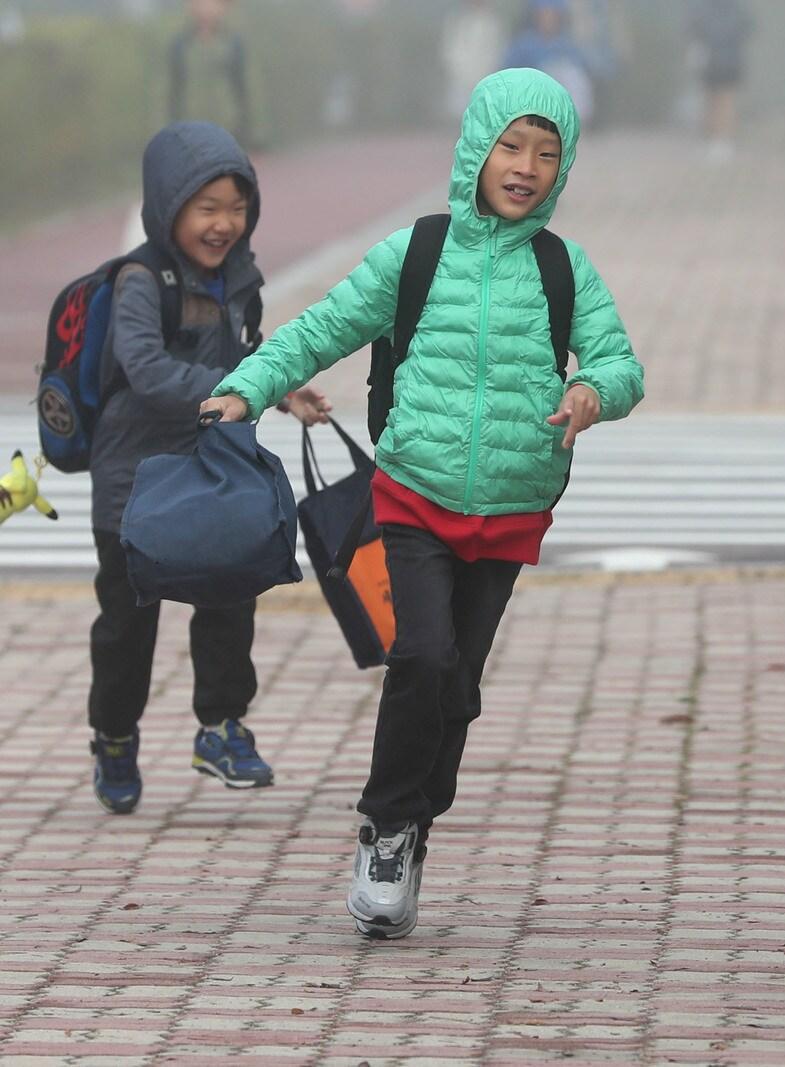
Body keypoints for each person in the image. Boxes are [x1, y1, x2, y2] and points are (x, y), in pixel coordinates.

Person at [200, 68, 644, 940]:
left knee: (459, 685)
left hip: (513, 505)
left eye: (546, 154)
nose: (525, 167)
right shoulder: (418, 252)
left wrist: (594, 390)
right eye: (510, 147)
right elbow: (323, 326)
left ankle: (415, 822)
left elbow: (619, 362)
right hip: (413, 491)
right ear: (477, 150)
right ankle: (387, 827)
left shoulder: (564, 268)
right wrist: (248, 386)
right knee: (423, 654)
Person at [88, 121, 331, 816]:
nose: (224, 223)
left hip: (208, 470)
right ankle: (114, 734)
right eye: (207, 208)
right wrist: (233, 390)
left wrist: (280, 390)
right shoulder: (142, 280)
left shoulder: (240, 278)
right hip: (133, 486)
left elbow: (244, 361)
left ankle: (221, 727)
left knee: (231, 591)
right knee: (127, 628)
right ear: (169, 207)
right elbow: (146, 369)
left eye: (237, 207)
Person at [169, 0, 252, 146]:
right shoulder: (181, 45)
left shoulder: (233, 43)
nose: (207, 8)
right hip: (190, 131)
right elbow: (169, 91)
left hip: (229, 128)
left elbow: (247, 89)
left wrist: (256, 135)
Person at [501, 0, 597, 126]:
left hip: (563, 109)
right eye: (544, 14)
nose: (548, 19)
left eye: (553, 14)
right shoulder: (524, 44)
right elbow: (508, 76)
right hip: (531, 107)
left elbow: (583, 77)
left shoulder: (568, 45)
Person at [687, 0, 753, 161]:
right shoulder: (737, 8)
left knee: (718, 100)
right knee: (720, 100)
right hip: (727, 59)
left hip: (718, 59)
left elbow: (692, 28)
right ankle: (719, 141)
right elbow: (748, 28)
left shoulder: (703, 8)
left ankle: (719, 140)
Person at [441, 0, 506, 122]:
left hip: (485, 80)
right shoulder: (456, 20)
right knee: (458, 118)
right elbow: (449, 51)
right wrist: (459, 71)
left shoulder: (493, 23)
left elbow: (496, 53)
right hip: (460, 80)